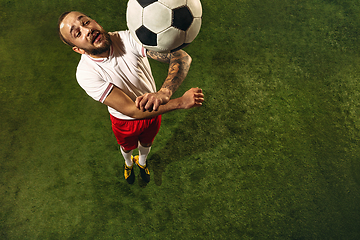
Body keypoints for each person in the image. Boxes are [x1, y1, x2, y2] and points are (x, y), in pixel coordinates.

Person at [58, 11, 204, 184]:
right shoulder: (85, 74)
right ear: (78, 49)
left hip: (155, 108)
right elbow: (131, 111)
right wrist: (180, 102)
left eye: (86, 22)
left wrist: (164, 93)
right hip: (124, 121)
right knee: (127, 148)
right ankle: (128, 163)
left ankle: (142, 163)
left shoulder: (129, 38)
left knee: (147, 143)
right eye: (78, 33)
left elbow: (182, 57)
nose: (87, 30)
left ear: (95, 22)